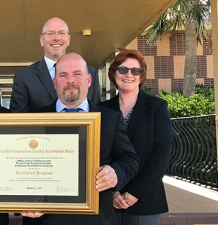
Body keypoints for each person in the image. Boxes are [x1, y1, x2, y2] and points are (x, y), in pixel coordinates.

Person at [22, 53, 139, 225]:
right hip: (47, 219)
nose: (71, 80)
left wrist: (116, 172)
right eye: (63, 75)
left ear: (89, 80)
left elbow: (130, 159)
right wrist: (25, 201)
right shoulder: (33, 119)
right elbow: (22, 166)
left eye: (77, 74)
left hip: (97, 218)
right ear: (55, 83)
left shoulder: (110, 119)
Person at [99, 48, 172, 225]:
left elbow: (162, 154)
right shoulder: (102, 109)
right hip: (108, 200)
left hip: (145, 199)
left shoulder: (157, 107)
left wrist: (135, 193)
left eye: (135, 70)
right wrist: (113, 191)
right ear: (114, 74)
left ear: (141, 75)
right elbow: (99, 154)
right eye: (122, 69)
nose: (128, 75)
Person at [10, 17, 101, 112]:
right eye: (50, 33)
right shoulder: (24, 77)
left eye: (62, 33)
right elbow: (19, 121)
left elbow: (97, 112)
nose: (56, 38)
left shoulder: (90, 72)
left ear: (68, 39)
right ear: (42, 40)